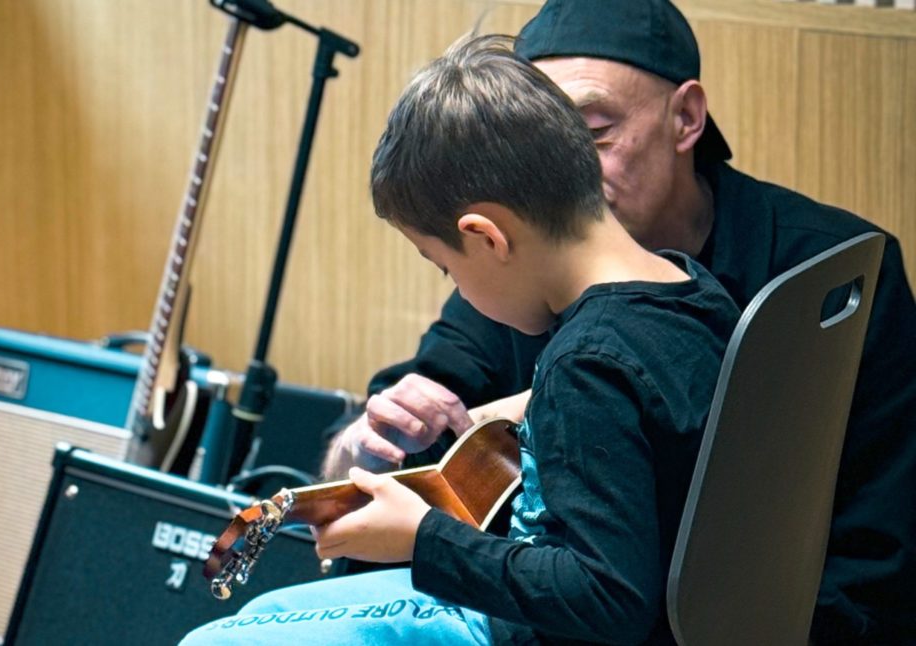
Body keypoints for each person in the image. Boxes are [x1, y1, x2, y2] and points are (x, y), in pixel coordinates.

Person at [323, 1, 916, 642]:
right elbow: (398, 456)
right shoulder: (541, 275)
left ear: (686, 117)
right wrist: (364, 447)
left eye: (590, 131)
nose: (550, 168)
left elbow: (877, 562)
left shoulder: (823, 273)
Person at [181, 34, 741, 644]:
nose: (456, 286)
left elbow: (608, 597)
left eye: (444, 265)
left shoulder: (586, 363)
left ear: (487, 238)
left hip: (537, 629)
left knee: (211, 640)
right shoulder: (691, 288)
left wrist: (423, 540)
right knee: (259, 618)